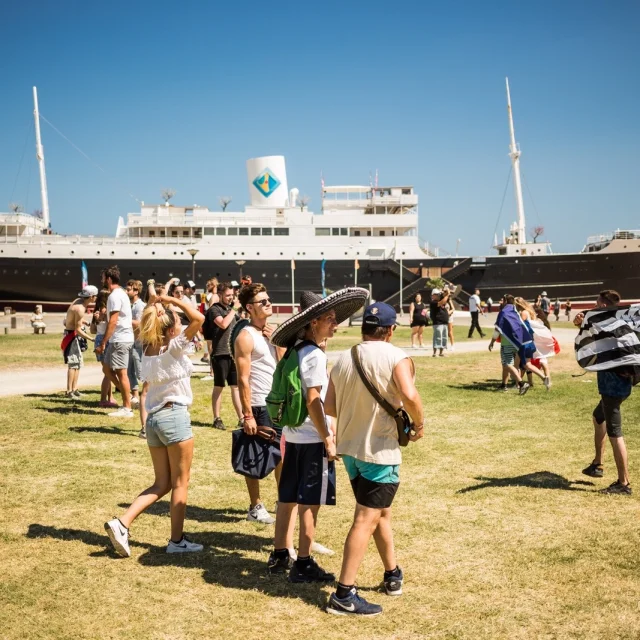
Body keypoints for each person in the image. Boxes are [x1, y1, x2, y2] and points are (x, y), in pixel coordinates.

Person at [324, 301, 424, 616]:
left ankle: (392, 573)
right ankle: (343, 594)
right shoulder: (397, 356)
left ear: (364, 328)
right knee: (366, 519)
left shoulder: (344, 357)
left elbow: (329, 405)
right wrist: (418, 423)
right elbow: (408, 394)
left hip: (351, 448)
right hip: (380, 450)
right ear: (391, 329)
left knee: (381, 513)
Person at [267, 287, 368, 582]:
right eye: (329, 318)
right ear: (313, 323)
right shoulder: (312, 354)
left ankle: (280, 554)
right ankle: (304, 562)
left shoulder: (295, 350)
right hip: (311, 438)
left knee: (287, 497)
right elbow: (313, 399)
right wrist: (328, 437)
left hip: (293, 436)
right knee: (310, 502)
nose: (334, 324)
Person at [104, 284, 206, 556]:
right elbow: (199, 318)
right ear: (172, 328)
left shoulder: (148, 349)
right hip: (174, 416)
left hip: (154, 420)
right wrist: (169, 299)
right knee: (180, 483)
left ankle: (122, 522)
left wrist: (160, 305)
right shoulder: (174, 347)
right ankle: (176, 541)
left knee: (161, 483)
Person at [576, 290, 633, 495]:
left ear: (602, 305)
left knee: (615, 433)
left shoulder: (603, 324)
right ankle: (597, 464)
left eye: (596, 303)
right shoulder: (622, 322)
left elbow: (585, 342)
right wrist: (582, 321)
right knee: (598, 417)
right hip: (624, 384)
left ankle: (623, 483)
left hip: (612, 386)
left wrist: (583, 321)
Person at [234, 282, 281, 524]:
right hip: (258, 404)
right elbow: (242, 379)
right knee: (253, 456)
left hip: (277, 403)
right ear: (250, 308)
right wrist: (247, 414)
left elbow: (281, 366)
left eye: (268, 298)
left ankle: (283, 501)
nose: (268, 303)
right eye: (263, 301)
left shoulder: (273, 333)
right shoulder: (245, 336)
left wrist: (277, 341)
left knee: (282, 455)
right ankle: (255, 506)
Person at [95, 265, 135, 419]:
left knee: (121, 373)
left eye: (103, 278)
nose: (102, 280)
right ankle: (129, 397)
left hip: (120, 339)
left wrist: (103, 341)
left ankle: (127, 407)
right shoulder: (121, 294)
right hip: (119, 338)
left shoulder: (114, 296)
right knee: (106, 369)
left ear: (109, 279)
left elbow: (113, 320)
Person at [207, 282, 243, 430]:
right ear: (220, 295)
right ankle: (217, 418)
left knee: (236, 387)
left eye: (232, 295)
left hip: (232, 353)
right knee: (219, 386)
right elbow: (223, 324)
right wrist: (234, 309)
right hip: (220, 353)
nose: (230, 298)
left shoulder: (230, 309)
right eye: (228, 295)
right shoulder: (214, 310)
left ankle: (241, 418)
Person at [488, 295, 530, 395]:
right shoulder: (515, 311)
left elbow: (498, 328)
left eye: (502, 300)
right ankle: (504, 385)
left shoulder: (503, 312)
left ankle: (521, 383)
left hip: (507, 343)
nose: (501, 302)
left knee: (508, 364)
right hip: (517, 343)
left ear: (506, 301)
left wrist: (492, 342)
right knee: (505, 364)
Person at [62, 286, 97, 398]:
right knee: (73, 364)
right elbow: (77, 329)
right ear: (91, 297)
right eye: (95, 296)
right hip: (72, 336)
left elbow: (74, 318)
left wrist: (84, 322)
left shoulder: (77, 301)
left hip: (73, 334)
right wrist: (91, 338)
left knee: (78, 363)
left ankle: (75, 389)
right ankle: (69, 391)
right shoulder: (80, 308)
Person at [514, 297, 551, 390]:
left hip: (523, 342)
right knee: (524, 364)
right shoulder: (528, 312)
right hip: (528, 341)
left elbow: (519, 326)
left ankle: (519, 385)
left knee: (522, 365)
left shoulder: (523, 313)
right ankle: (543, 378)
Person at [91, 288, 117, 408]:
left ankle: (110, 396)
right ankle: (103, 399)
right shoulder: (106, 311)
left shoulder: (95, 311)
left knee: (108, 370)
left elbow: (92, 330)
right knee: (108, 372)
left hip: (98, 338)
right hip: (105, 339)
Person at [126, 280, 145, 408]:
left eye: (129, 289)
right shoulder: (128, 304)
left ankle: (147, 396)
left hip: (138, 342)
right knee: (129, 372)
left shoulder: (140, 306)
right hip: (129, 341)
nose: (127, 292)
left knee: (140, 372)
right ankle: (136, 398)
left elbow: (139, 324)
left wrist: (124, 319)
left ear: (136, 291)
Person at [429, 288, 449, 356]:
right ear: (433, 295)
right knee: (438, 337)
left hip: (444, 322)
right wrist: (447, 295)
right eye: (437, 294)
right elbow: (442, 302)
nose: (438, 296)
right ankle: (434, 353)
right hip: (438, 322)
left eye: (439, 294)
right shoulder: (433, 302)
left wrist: (446, 293)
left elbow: (446, 300)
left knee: (444, 338)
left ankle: (441, 353)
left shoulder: (441, 300)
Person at [445, 287, 456, 352]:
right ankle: (444, 344)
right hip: (443, 317)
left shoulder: (449, 300)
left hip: (449, 317)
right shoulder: (441, 299)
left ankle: (452, 345)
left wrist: (449, 312)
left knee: (450, 332)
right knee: (444, 331)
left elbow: (453, 308)